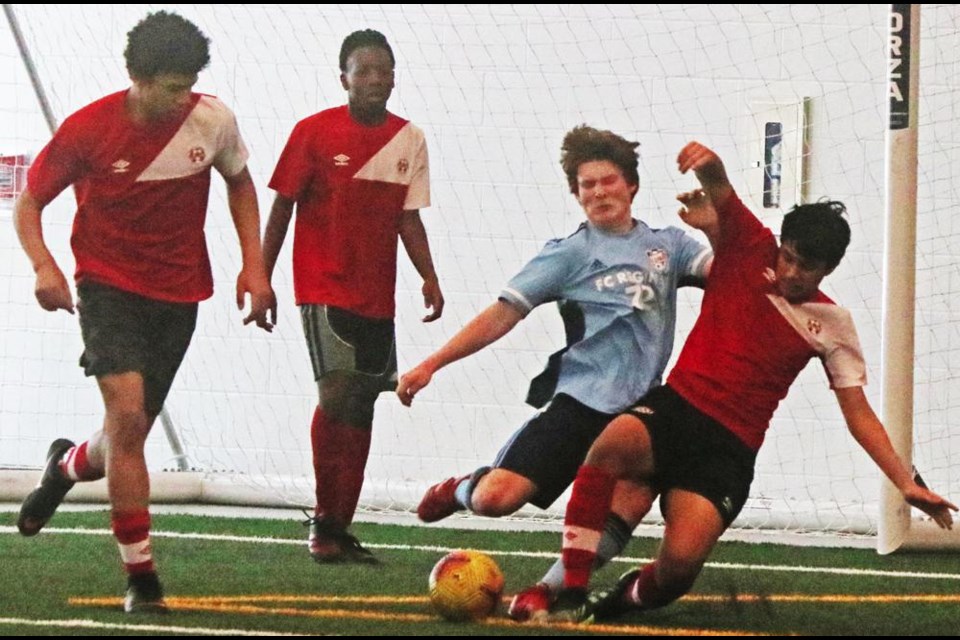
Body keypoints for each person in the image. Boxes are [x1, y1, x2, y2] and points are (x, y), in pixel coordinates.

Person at [544, 141, 957, 623]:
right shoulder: (748, 245)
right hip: (676, 407)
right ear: (780, 246)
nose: (792, 272)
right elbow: (719, 187)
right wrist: (708, 162)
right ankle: (570, 591)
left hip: (729, 448)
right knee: (609, 445)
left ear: (829, 270)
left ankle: (619, 599)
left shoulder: (833, 324)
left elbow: (858, 411)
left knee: (679, 569)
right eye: (788, 257)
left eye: (808, 267)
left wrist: (904, 482)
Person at [13, 11, 276, 614]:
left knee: (124, 435)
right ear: (136, 75)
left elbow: (239, 182)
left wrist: (254, 267)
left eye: (188, 85)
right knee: (128, 418)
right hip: (106, 285)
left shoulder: (213, 120)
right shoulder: (88, 130)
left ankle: (66, 467)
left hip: (180, 292)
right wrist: (45, 267)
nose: (182, 98)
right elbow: (28, 204)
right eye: (170, 87)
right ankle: (142, 577)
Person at [397, 125, 714, 620]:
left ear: (631, 185)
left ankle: (547, 590)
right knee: (497, 500)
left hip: (640, 415)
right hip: (580, 402)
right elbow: (502, 313)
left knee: (626, 506)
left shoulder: (668, 246)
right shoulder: (568, 254)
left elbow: (726, 274)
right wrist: (432, 363)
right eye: (587, 185)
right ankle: (461, 488)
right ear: (577, 194)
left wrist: (717, 224)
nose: (598, 192)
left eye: (607, 181)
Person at [263, 29, 444, 564]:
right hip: (322, 286)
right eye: (362, 70)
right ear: (342, 78)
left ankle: (341, 526)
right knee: (336, 394)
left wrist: (428, 276)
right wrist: (260, 275)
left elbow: (407, 216)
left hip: (377, 296)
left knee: (365, 402)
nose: (373, 79)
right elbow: (281, 208)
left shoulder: (409, 139)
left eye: (382, 70)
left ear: (394, 77)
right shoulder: (313, 133)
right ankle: (322, 521)